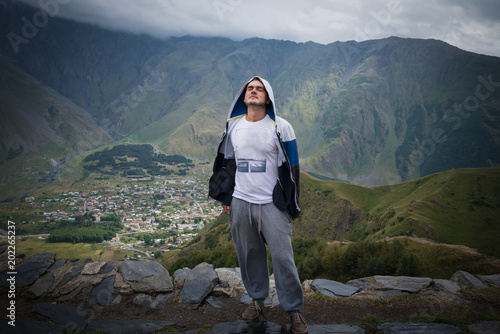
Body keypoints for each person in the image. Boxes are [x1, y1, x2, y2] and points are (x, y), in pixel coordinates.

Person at [209, 76, 308, 334]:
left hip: (271, 204)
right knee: (249, 254)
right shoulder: (234, 127)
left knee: (283, 258)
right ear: (244, 96)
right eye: (250, 89)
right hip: (241, 202)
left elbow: (293, 168)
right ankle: (257, 300)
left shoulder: (280, 127)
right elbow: (228, 163)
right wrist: (226, 197)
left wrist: (293, 205)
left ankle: (294, 311)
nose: (254, 92)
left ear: (268, 97)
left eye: (259, 89)